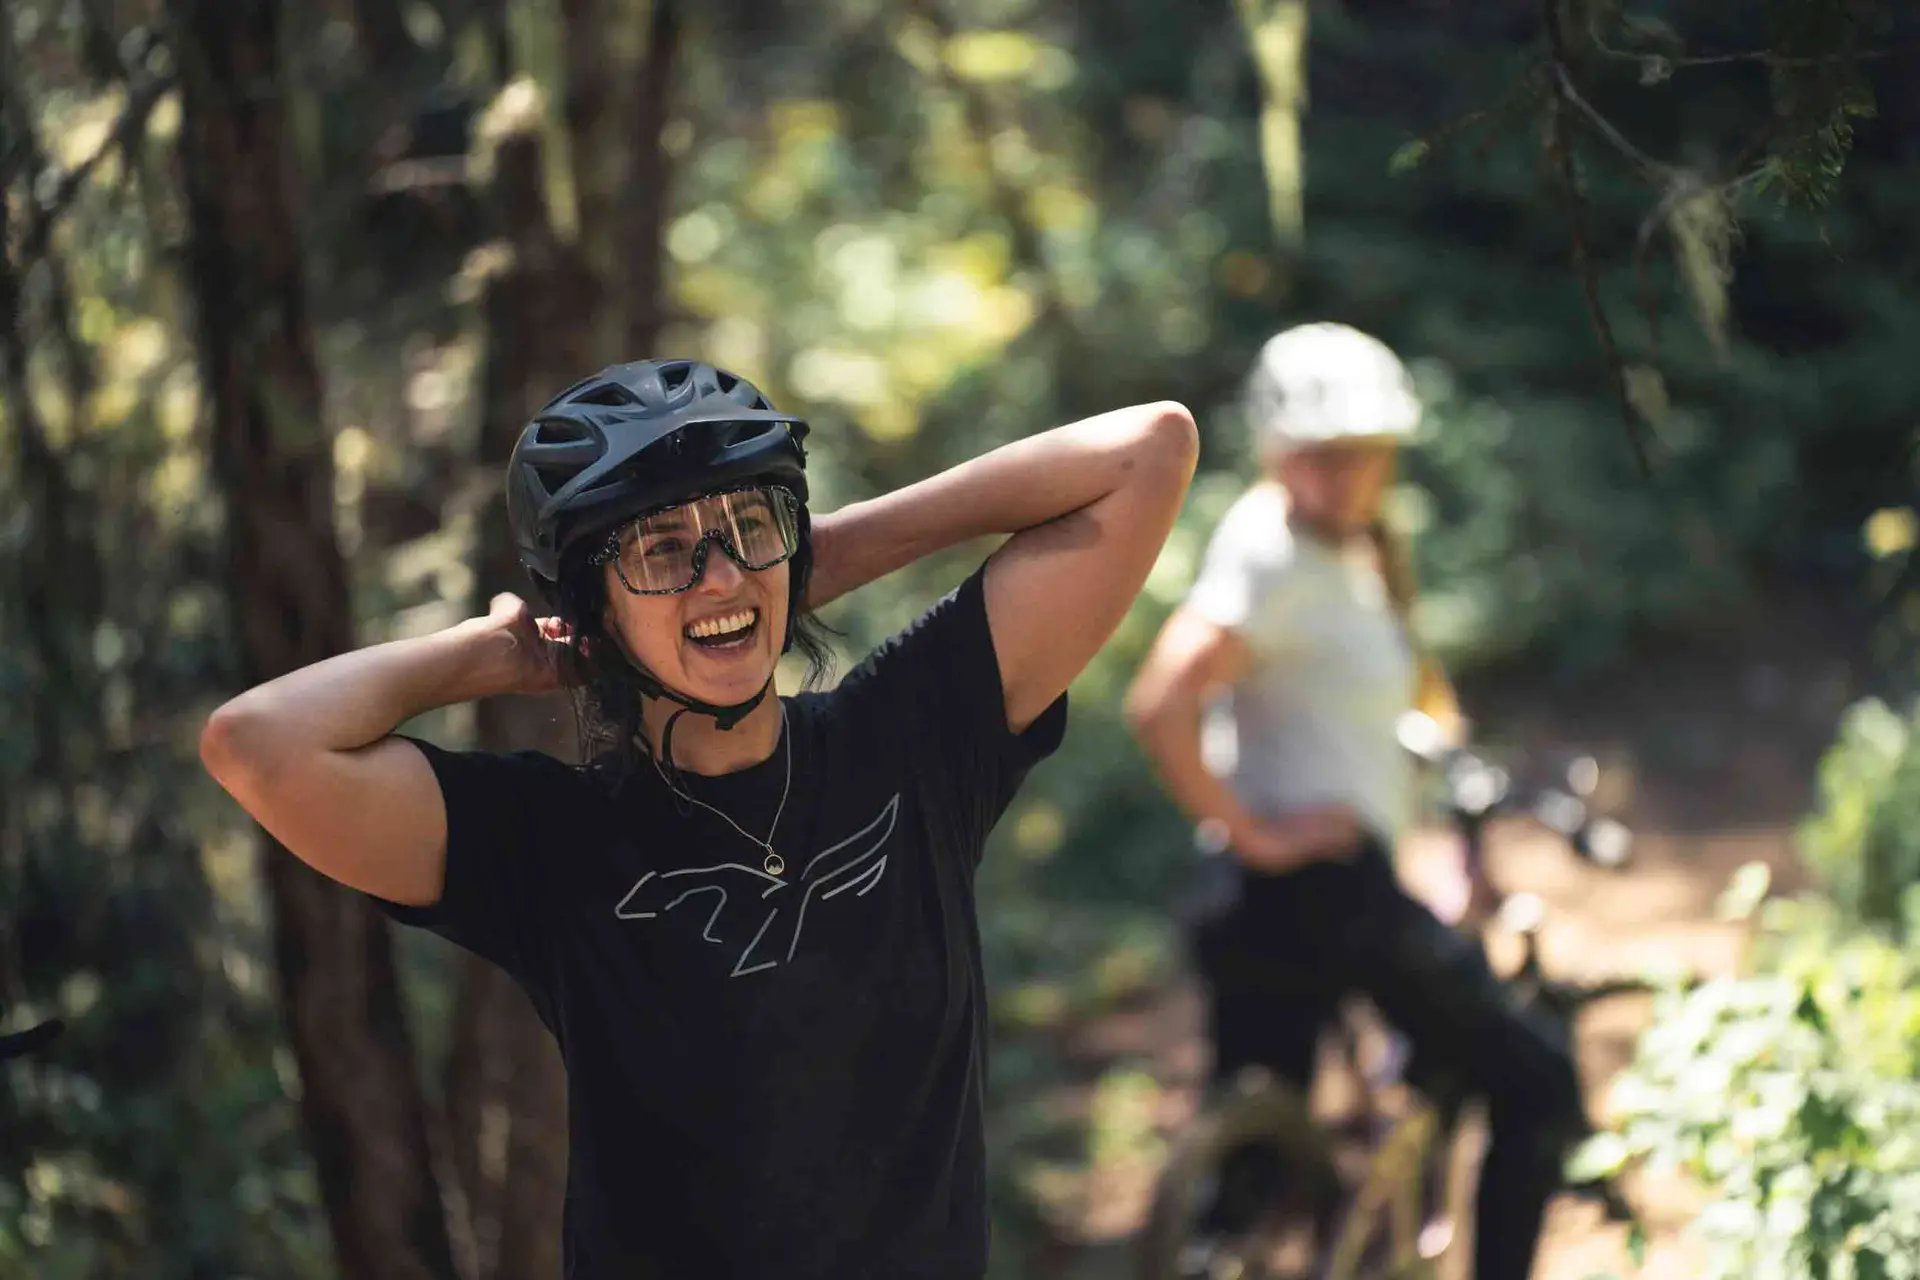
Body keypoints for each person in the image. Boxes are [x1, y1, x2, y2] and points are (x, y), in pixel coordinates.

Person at [200, 358, 1197, 1279]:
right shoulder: (548, 843)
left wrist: (815, 556)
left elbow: (1149, 447)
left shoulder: (913, 737)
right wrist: (487, 653)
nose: (717, 575)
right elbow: (256, 743)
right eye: (663, 548)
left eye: (748, 528)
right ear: (591, 601)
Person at [1123, 324, 1581, 1280]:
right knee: (1539, 1083)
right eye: (1326, 459)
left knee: (1255, 1174)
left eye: (1368, 456)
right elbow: (1162, 700)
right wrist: (1258, 832)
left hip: (1270, 894)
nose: (1352, 478)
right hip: (1318, 895)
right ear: (1280, 454)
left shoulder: (1345, 549)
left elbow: (1383, 688)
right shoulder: (1275, 555)